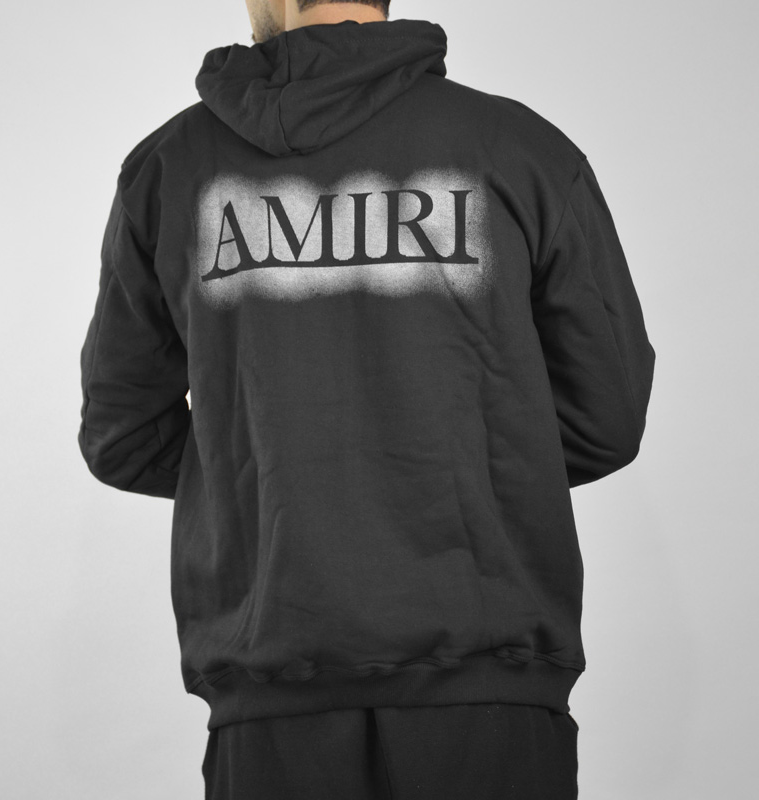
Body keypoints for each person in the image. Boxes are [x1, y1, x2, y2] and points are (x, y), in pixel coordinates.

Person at [77, 1, 656, 797]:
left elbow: (122, 434)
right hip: (492, 693)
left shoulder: (170, 169)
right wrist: (466, 468)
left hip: (272, 696)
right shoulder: (519, 149)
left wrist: (265, 476)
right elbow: (607, 416)